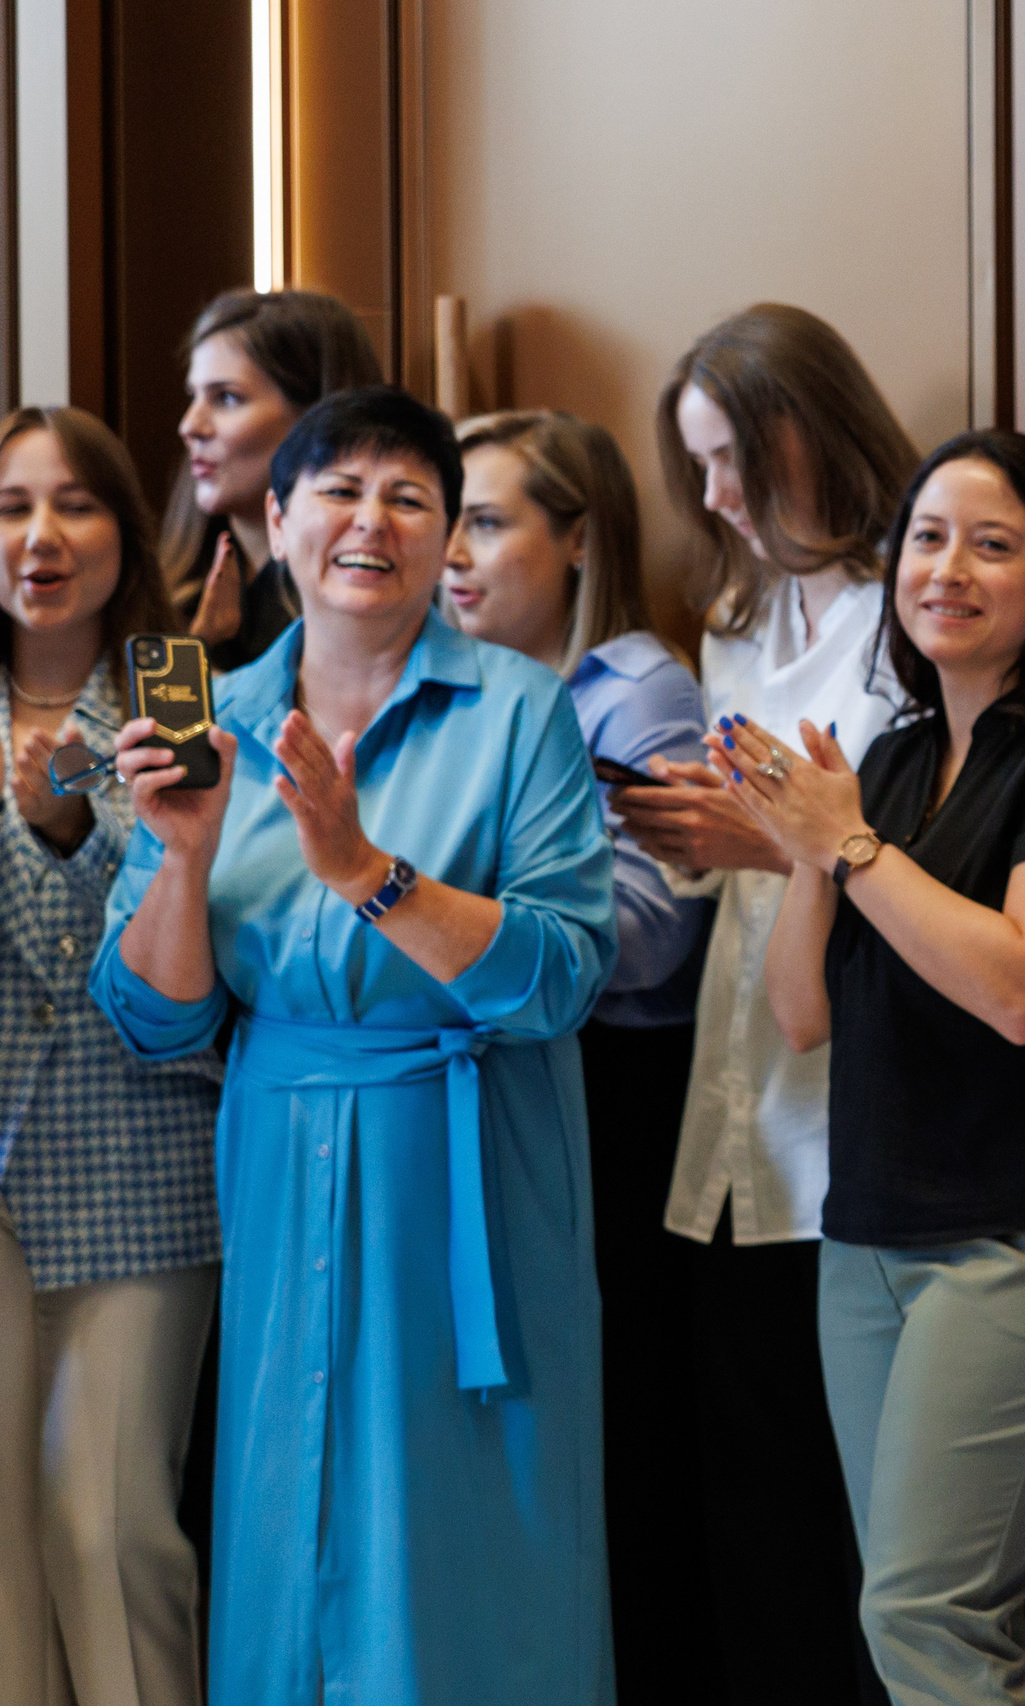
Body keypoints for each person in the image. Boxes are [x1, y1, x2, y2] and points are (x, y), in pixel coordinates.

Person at [91, 385, 618, 1705]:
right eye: (337, 490)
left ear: (447, 539)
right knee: (290, 1519)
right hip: (279, 1155)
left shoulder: (520, 711)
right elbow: (154, 1017)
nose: (370, 521)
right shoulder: (215, 716)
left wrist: (366, 872)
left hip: (469, 1164)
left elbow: (562, 971)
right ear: (276, 519)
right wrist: (184, 858)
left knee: (470, 1542)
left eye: (409, 498)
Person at [715, 429, 1025, 1704]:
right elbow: (802, 1014)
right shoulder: (898, 755)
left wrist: (852, 847)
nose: (946, 569)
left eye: (991, 543)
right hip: (867, 1236)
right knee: (904, 1614)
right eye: (926, 538)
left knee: (927, 1612)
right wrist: (811, 847)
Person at [611, 303, 916, 1705]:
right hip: (729, 1095)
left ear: (812, 430)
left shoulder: (900, 613)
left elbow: (914, 846)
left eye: (735, 454)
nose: (719, 493)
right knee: (749, 1522)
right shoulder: (733, 619)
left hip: (857, 1103)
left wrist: (772, 838)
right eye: (699, 466)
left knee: (856, 1539)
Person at [439, 408, 716, 1702]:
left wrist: (473, 922)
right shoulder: (450, 690)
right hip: (492, 1082)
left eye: (487, 522)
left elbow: (650, 934)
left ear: (580, 539)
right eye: (447, 520)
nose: (451, 553)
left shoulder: (636, 686)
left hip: (617, 1093)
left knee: (621, 1437)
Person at [0, 408, 222, 1706]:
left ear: (126, 534)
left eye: (74, 503)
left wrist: (66, 831)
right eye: (11, 505)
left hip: (133, 1175)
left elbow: (179, 944)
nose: (40, 534)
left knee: (108, 1529)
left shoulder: (172, 700)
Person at [160, 289, 385, 670]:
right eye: (193, 396)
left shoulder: (369, 602)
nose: (190, 426)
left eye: (226, 398)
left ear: (316, 418)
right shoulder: (171, 592)